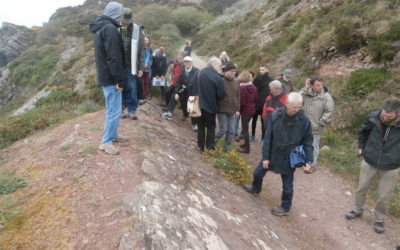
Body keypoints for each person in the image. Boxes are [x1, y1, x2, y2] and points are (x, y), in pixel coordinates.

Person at [242, 92, 313, 216]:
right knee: (258, 173)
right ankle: (255, 189)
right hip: (273, 152)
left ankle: (285, 208)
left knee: (287, 186)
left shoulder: (305, 121)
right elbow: (268, 137)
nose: (297, 110)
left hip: (288, 157)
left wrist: (309, 160)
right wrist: (265, 158)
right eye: (294, 107)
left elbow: (308, 142)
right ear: (287, 104)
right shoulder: (276, 115)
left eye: (299, 107)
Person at [345, 97, 400, 234]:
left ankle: (379, 219)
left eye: (388, 116)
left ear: (397, 113)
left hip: (391, 166)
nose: (384, 117)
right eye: (383, 114)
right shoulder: (373, 117)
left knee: (384, 196)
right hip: (369, 160)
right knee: (361, 188)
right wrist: (361, 148)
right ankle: (357, 210)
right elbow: (362, 132)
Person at [89, 2, 127, 155]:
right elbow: (113, 57)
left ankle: (113, 135)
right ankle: (106, 142)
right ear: (117, 14)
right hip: (111, 77)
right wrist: (119, 79)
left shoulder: (100, 28)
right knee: (114, 110)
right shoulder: (110, 29)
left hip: (105, 74)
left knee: (113, 109)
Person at [300, 77, 334, 173]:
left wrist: (320, 123)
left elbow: (329, 112)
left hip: (316, 127)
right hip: (303, 125)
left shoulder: (326, 97)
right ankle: (302, 161)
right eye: (317, 85)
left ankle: (312, 165)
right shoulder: (306, 93)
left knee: (314, 146)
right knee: (301, 144)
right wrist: (306, 88)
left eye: (321, 85)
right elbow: (298, 99)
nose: (320, 87)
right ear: (312, 85)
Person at [119, 7, 145, 120]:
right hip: (119, 65)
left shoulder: (138, 30)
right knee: (120, 88)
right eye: (123, 21)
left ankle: (132, 110)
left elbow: (142, 50)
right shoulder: (116, 28)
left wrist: (141, 67)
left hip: (132, 65)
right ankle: (120, 109)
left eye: (126, 22)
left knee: (132, 87)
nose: (124, 24)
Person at [197, 57, 225, 151]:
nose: (221, 67)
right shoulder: (217, 77)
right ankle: (210, 147)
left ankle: (200, 146)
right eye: (220, 65)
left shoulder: (201, 71)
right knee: (210, 127)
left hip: (199, 104)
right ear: (214, 65)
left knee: (200, 126)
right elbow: (221, 95)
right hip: (211, 106)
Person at [161, 56, 199, 123]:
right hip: (183, 91)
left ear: (191, 63)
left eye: (188, 62)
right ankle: (169, 112)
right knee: (175, 97)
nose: (186, 63)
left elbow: (195, 82)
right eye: (185, 62)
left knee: (190, 106)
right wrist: (176, 92)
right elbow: (178, 82)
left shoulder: (196, 71)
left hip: (192, 91)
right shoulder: (182, 70)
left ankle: (194, 123)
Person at [214, 62, 240, 152]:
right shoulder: (221, 81)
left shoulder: (236, 81)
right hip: (222, 110)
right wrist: (218, 107)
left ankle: (227, 149)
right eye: (232, 71)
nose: (233, 73)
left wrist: (237, 109)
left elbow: (238, 96)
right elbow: (216, 96)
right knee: (223, 130)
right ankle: (211, 143)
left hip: (232, 111)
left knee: (231, 131)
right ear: (226, 71)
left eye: (234, 71)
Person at [261, 80, 288, 145]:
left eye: (272, 90)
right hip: (268, 126)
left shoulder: (286, 99)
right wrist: (264, 118)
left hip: (279, 128)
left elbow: (287, 114)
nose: (270, 91)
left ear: (278, 89)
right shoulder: (269, 97)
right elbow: (264, 109)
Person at [251, 65, 273, 142]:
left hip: (265, 103)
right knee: (254, 119)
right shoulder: (257, 79)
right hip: (256, 102)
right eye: (260, 70)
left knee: (263, 121)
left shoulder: (271, 79)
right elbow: (253, 89)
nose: (261, 71)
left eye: (263, 70)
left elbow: (272, 91)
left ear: (267, 70)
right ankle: (252, 135)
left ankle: (263, 138)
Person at [237, 71, 258, 154]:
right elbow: (256, 99)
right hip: (252, 110)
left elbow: (242, 102)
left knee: (245, 130)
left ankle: (247, 149)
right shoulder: (253, 87)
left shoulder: (242, 88)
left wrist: (238, 110)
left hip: (245, 111)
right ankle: (246, 144)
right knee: (246, 129)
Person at [142, 35, 152, 100]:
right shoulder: (141, 47)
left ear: (149, 41)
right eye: (145, 40)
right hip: (141, 67)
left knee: (146, 81)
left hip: (147, 68)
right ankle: (142, 93)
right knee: (141, 81)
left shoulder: (150, 49)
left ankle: (145, 93)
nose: (146, 41)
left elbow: (150, 58)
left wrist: (148, 64)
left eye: (147, 40)